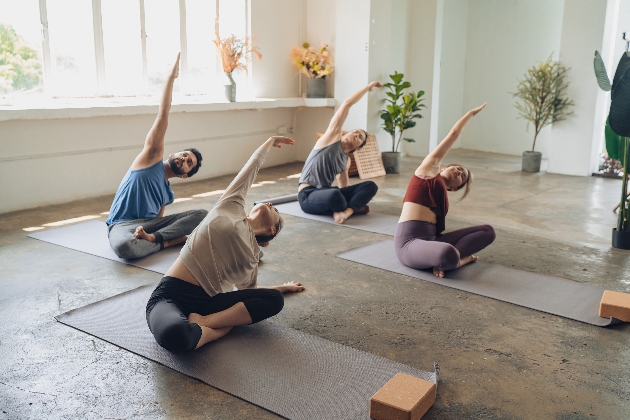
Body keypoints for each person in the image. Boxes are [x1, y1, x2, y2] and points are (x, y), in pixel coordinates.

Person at [146, 135, 306, 353]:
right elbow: (250, 170)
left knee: (275, 300)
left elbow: (251, 294)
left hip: (210, 304)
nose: (270, 203)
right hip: (172, 295)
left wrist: (283, 288)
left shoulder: (252, 258)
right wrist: (269, 142)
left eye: (275, 210)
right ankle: (215, 326)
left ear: (271, 231)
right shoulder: (231, 206)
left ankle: (206, 322)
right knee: (174, 335)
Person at [106, 54, 207, 260]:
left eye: (189, 163)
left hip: (148, 227)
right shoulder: (150, 159)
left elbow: (158, 222)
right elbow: (163, 113)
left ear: (185, 175)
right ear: (173, 154)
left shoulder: (167, 195)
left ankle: (157, 240)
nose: (184, 159)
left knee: (202, 215)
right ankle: (166, 243)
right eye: (184, 155)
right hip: (122, 226)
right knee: (125, 248)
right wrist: (171, 78)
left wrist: (154, 235)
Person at [394, 103, 496, 278]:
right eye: (456, 168)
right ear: (443, 168)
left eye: (462, 175)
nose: (458, 171)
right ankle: (460, 260)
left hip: (432, 240)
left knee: (488, 231)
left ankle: (447, 260)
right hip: (409, 243)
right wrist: (471, 113)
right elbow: (453, 134)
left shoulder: (442, 195)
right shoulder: (427, 171)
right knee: (448, 253)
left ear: (454, 188)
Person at [298, 81, 382, 224]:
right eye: (355, 131)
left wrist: (351, 198)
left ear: (358, 148)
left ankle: (347, 211)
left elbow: (345, 187)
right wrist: (367, 88)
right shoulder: (331, 137)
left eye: (359, 137)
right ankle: (350, 208)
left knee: (371, 186)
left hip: (326, 193)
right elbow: (347, 103)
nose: (355, 134)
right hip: (308, 194)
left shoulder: (346, 161)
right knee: (334, 194)